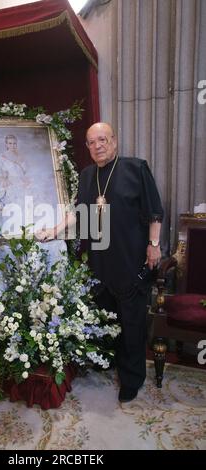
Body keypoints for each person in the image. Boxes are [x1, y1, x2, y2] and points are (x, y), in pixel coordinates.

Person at [37, 122, 164, 403]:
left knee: (132, 322)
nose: (98, 146)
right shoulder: (86, 176)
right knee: (106, 316)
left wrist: (154, 245)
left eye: (103, 139)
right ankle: (107, 361)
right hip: (100, 260)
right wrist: (53, 230)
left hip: (131, 258)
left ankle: (132, 378)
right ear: (88, 147)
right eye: (92, 142)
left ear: (114, 142)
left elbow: (154, 210)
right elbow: (78, 213)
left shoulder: (136, 168)